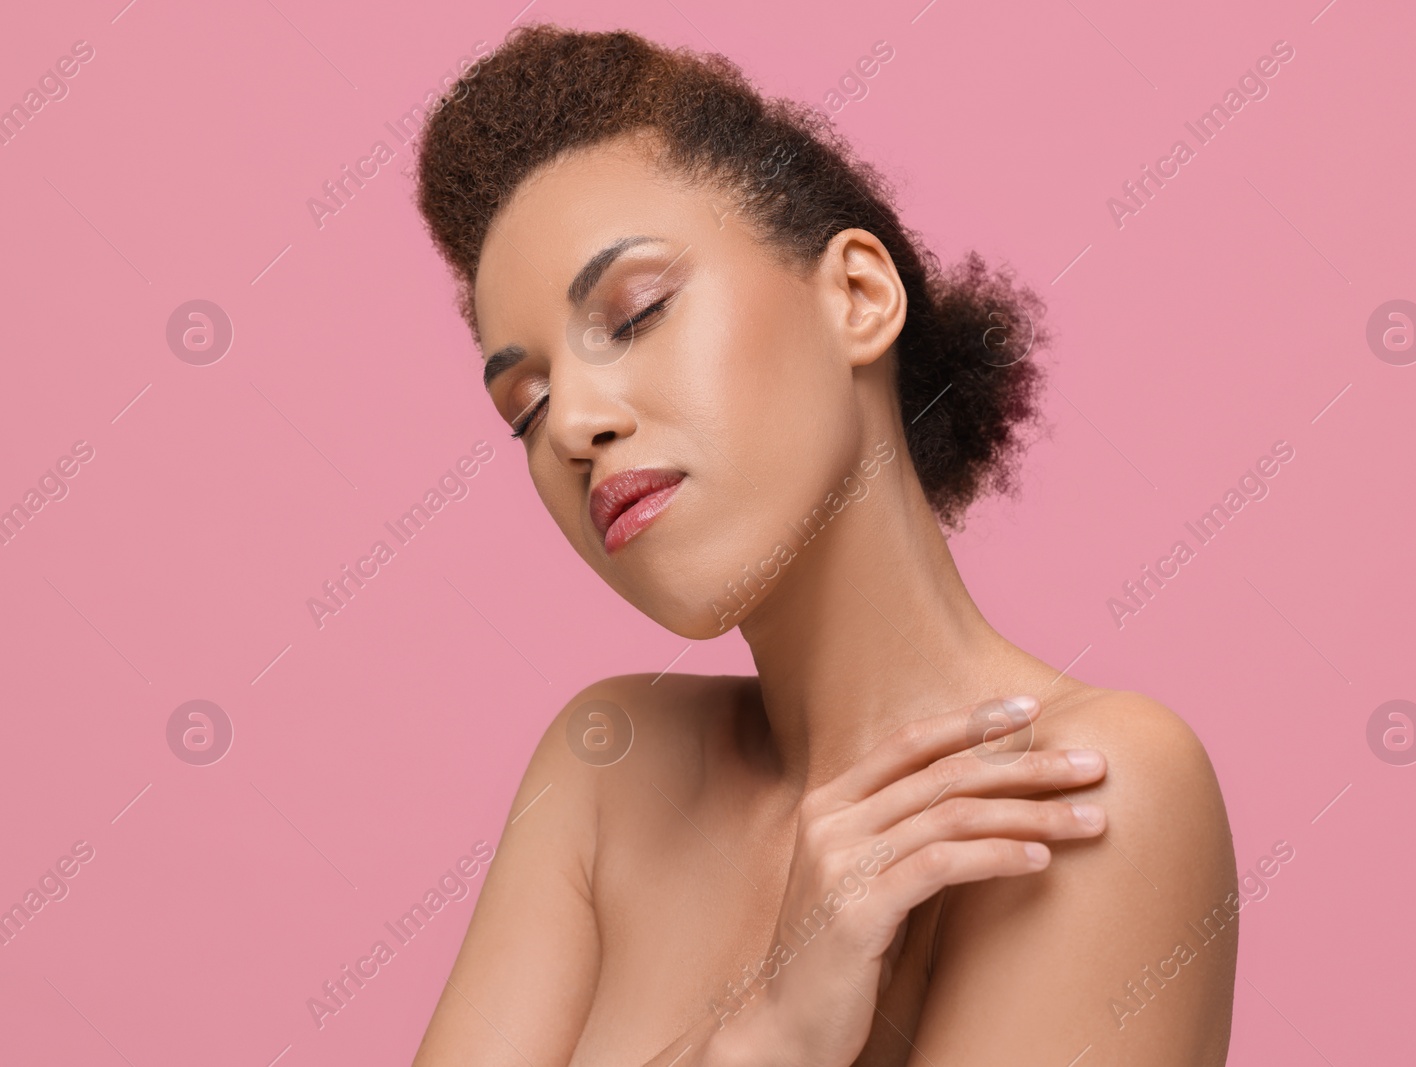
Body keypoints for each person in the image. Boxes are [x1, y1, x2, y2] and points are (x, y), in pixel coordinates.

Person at [409, 23, 1237, 1067]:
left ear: (856, 295)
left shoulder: (1080, 786)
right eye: (525, 408)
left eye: (634, 313)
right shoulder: (602, 766)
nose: (572, 424)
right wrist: (766, 1033)